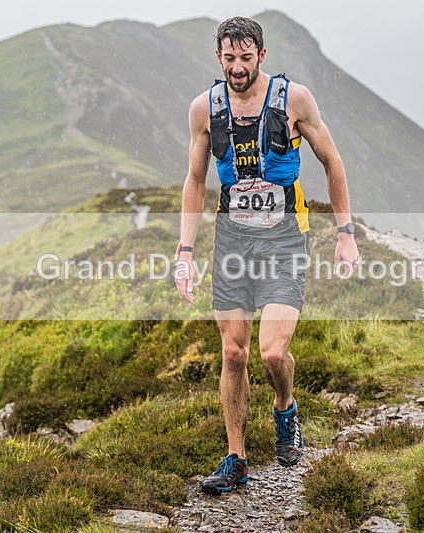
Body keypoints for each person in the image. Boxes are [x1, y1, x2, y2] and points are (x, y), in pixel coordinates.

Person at [175, 16, 359, 494]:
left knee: (273, 352)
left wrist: (345, 233)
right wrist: (185, 250)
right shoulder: (204, 109)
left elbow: (332, 161)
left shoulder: (294, 99)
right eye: (229, 58)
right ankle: (236, 458)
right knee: (233, 351)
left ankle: (284, 408)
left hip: (284, 240)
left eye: (246, 57)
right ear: (219, 58)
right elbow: (195, 180)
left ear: (261, 55)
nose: (237, 67)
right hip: (232, 242)